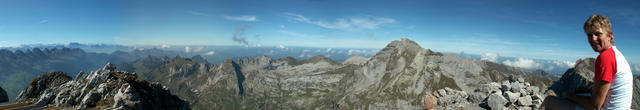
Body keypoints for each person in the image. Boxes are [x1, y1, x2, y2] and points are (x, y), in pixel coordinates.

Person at [542, 14, 633, 110]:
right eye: (590, 35)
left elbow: (595, 105)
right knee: (580, 93)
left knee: (549, 101)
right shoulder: (616, 54)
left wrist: (569, 95)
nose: (593, 39)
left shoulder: (605, 58)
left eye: (598, 34)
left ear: (609, 36)